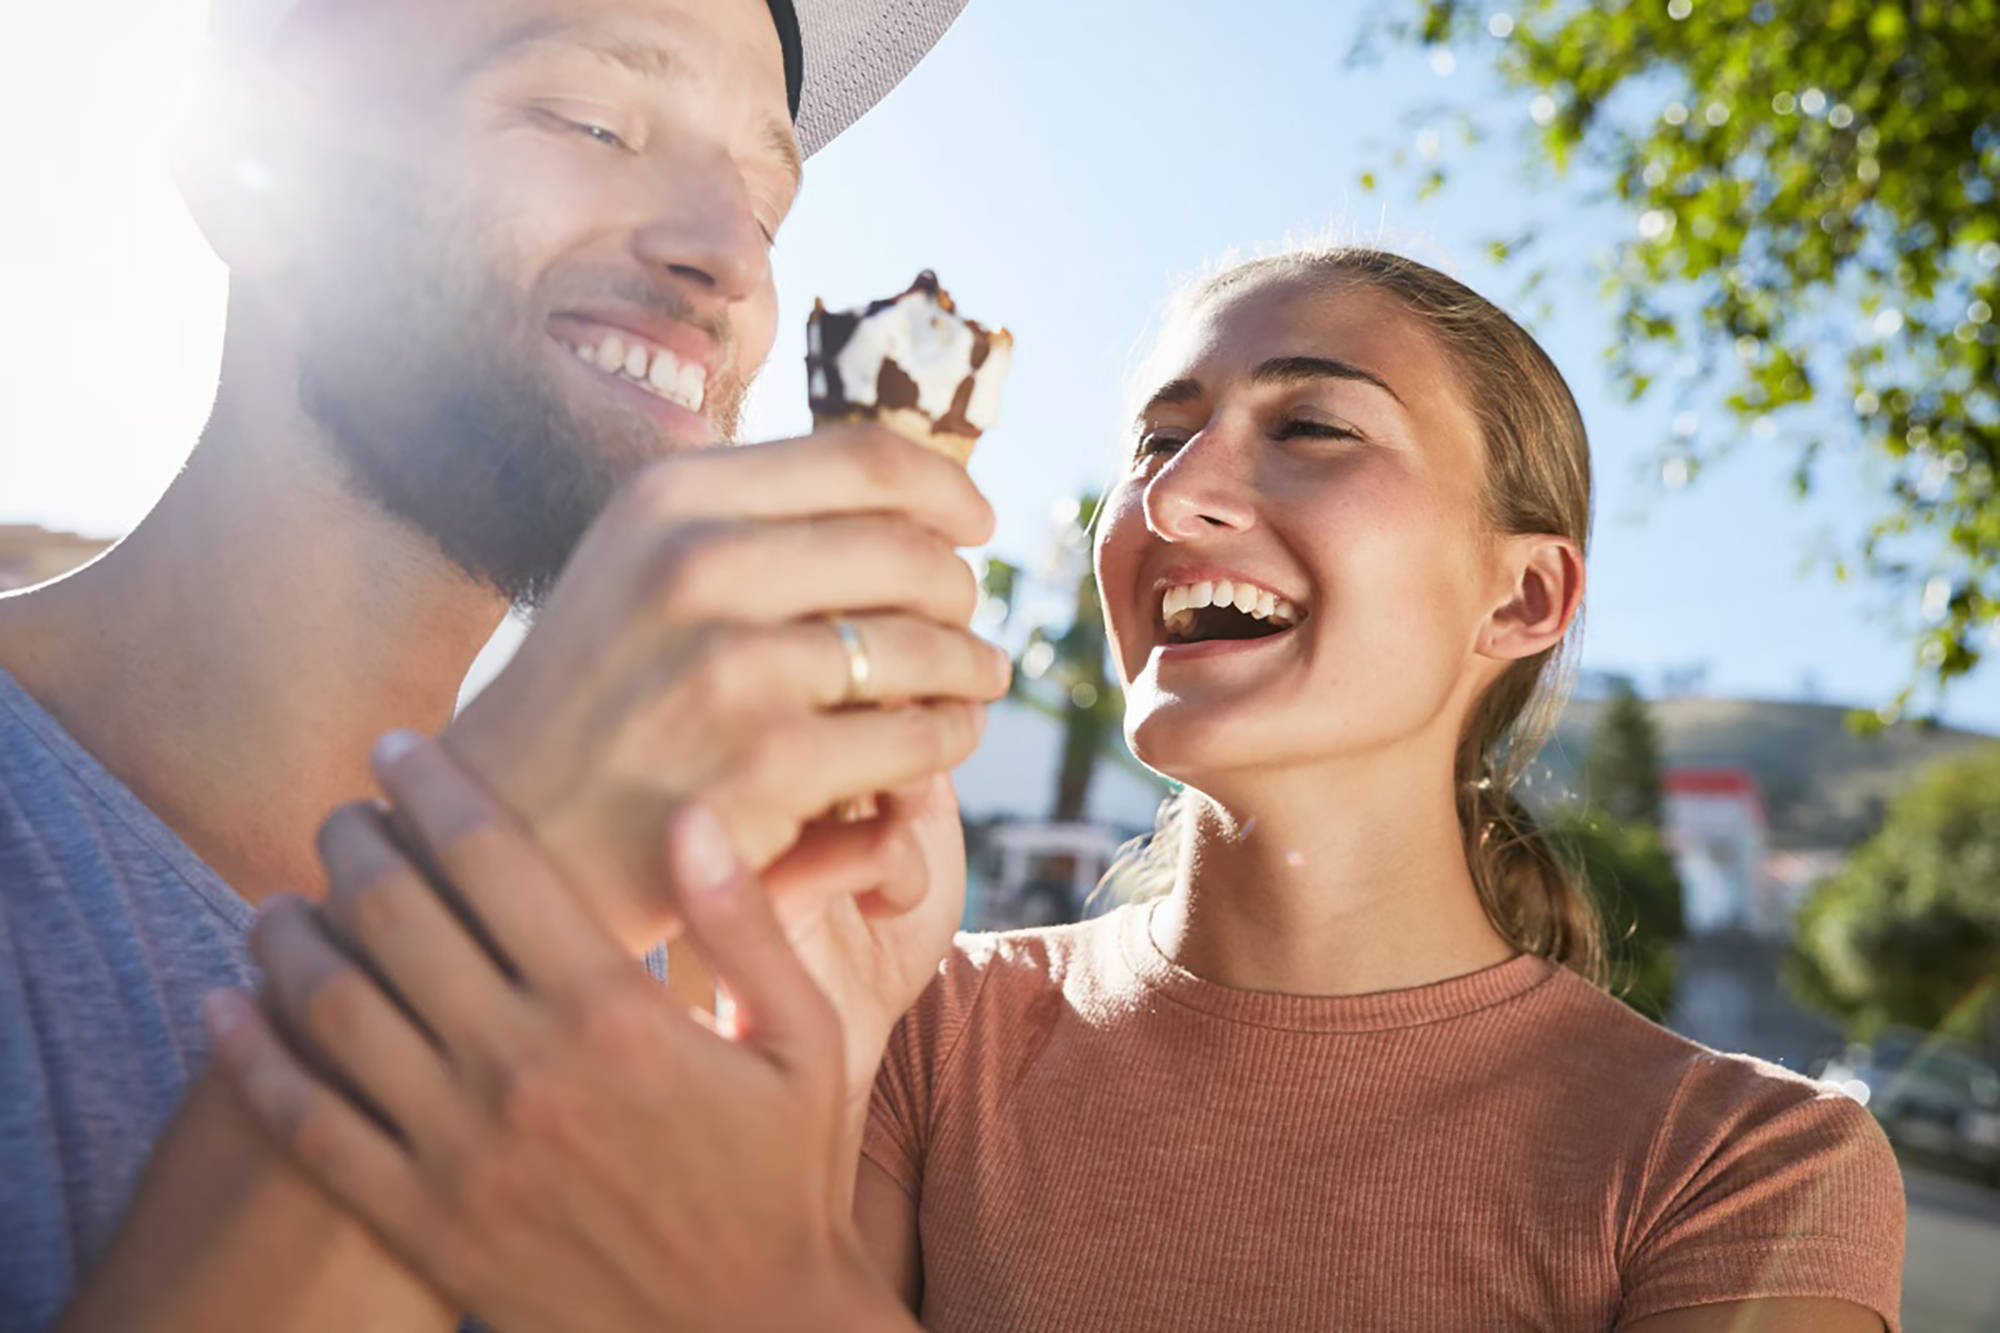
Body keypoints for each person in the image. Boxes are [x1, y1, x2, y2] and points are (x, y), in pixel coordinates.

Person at [216, 245, 1908, 1332]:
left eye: (1312, 428)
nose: (1176, 499)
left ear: (1522, 599)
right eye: (1154, 442)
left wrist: (755, 1284)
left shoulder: (1749, 1172)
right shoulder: (925, 1034)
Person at [0, 0, 1003, 1328]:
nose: (731, 263)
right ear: (256, 169)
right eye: (590, 121)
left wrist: (800, 1079)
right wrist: (506, 902)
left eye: (765, 203)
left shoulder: (671, 952)